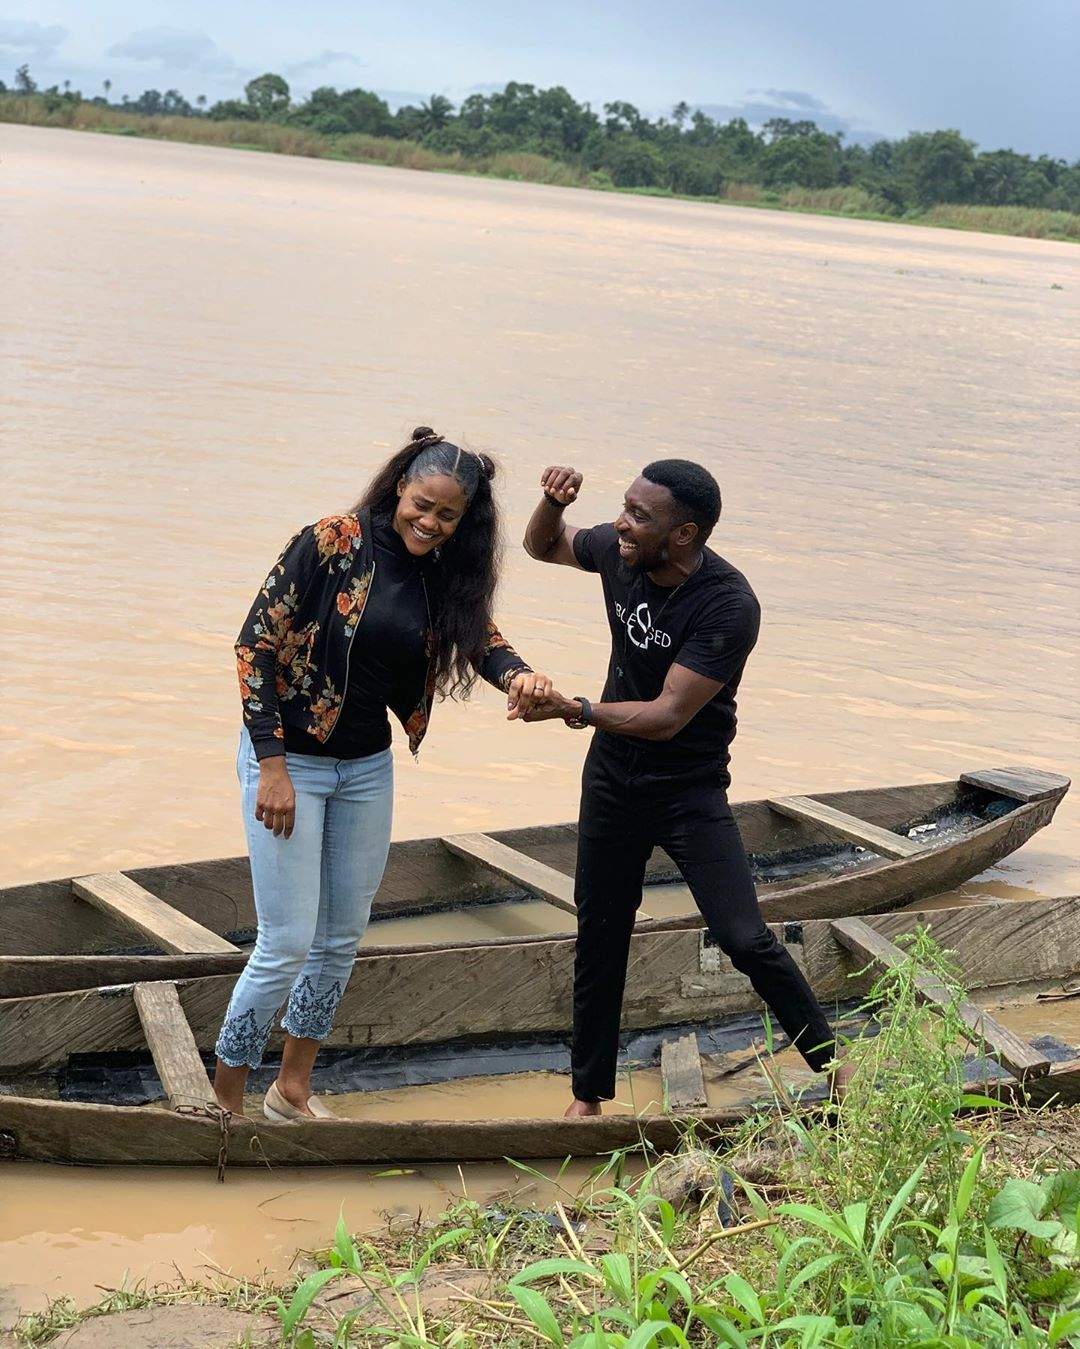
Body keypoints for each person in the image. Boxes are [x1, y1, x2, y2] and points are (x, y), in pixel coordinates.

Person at [214, 427, 558, 1120]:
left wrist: (521, 675)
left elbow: (479, 637)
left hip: (366, 770)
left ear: (465, 521)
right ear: (400, 485)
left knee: (340, 938)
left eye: (447, 516)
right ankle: (223, 1103)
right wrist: (273, 767)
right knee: (285, 942)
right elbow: (254, 647)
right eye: (421, 505)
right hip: (291, 763)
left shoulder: (444, 572)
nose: (428, 523)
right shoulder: (332, 540)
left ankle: (291, 1090)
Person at [522, 459, 849, 1116]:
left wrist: (578, 710)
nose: (621, 521)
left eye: (641, 515)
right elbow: (544, 545)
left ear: (684, 534)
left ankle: (838, 1069)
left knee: (744, 935)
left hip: (688, 790)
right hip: (613, 779)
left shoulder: (728, 605)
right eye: (624, 506)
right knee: (602, 929)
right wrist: (553, 505)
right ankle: (587, 1100)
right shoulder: (621, 554)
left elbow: (669, 715)